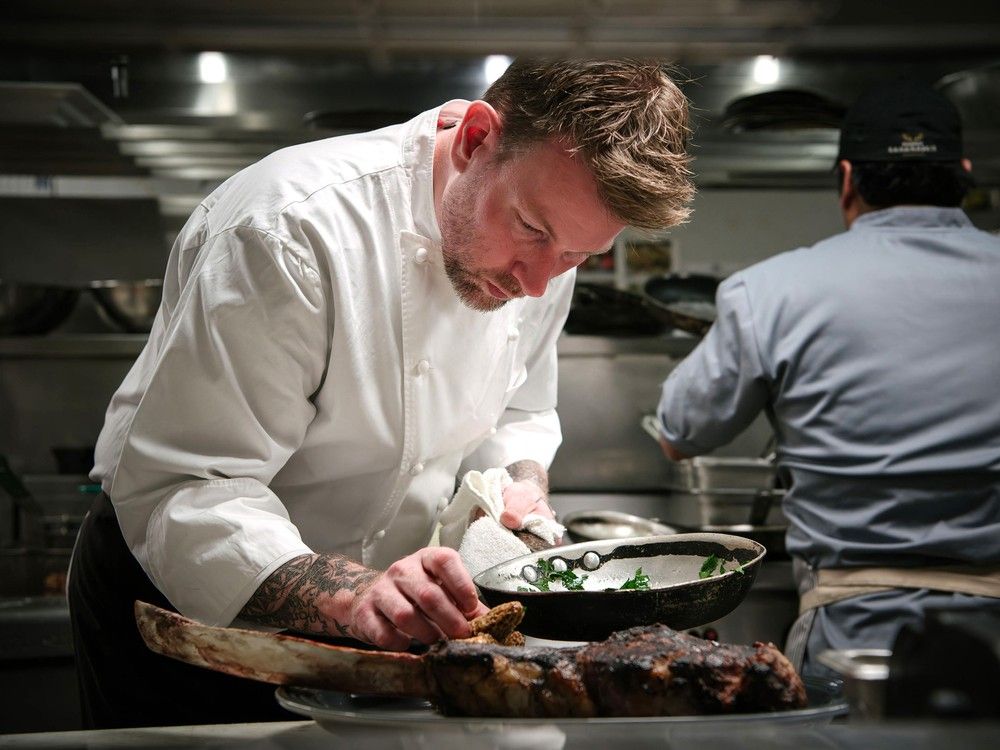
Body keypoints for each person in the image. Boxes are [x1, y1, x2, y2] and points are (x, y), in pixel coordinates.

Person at [68, 59, 695, 728]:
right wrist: (357, 596)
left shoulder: (543, 244)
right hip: (195, 612)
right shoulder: (287, 229)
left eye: (574, 257)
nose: (537, 283)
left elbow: (521, 408)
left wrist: (517, 486)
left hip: (385, 619)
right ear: (477, 138)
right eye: (533, 232)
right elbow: (188, 486)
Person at [653, 80, 1000, 678]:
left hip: (852, 635)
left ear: (846, 181)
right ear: (963, 174)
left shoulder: (772, 293)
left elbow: (678, 432)